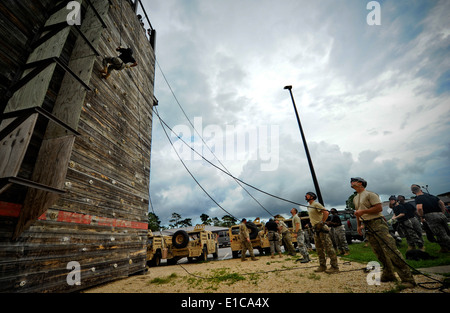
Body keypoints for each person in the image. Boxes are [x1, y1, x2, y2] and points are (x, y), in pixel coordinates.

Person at [351, 177, 415, 287]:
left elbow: (379, 208)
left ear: (360, 183)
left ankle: (407, 279)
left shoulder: (370, 194)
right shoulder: (355, 198)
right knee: (379, 252)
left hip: (377, 223)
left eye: (353, 181)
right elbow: (358, 213)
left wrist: (363, 211)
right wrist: (358, 225)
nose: (351, 182)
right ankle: (389, 274)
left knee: (391, 250)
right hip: (367, 225)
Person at [305, 192, 339, 274]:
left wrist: (322, 222)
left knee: (328, 247)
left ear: (312, 197)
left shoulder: (316, 204)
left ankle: (335, 267)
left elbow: (326, 212)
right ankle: (322, 266)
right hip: (315, 228)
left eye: (307, 195)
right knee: (319, 248)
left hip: (321, 227)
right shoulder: (309, 206)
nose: (305, 196)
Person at [411, 184, 450, 253]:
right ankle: (444, 248)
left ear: (413, 192)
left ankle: (447, 247)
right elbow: (442, 203)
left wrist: (422, 217)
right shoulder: (431, 195)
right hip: (441, 214)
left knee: (441, 234)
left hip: (431, 216)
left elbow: (419, 208)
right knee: (447, 231)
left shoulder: (418, 198)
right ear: (421, 189)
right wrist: (442, 213)